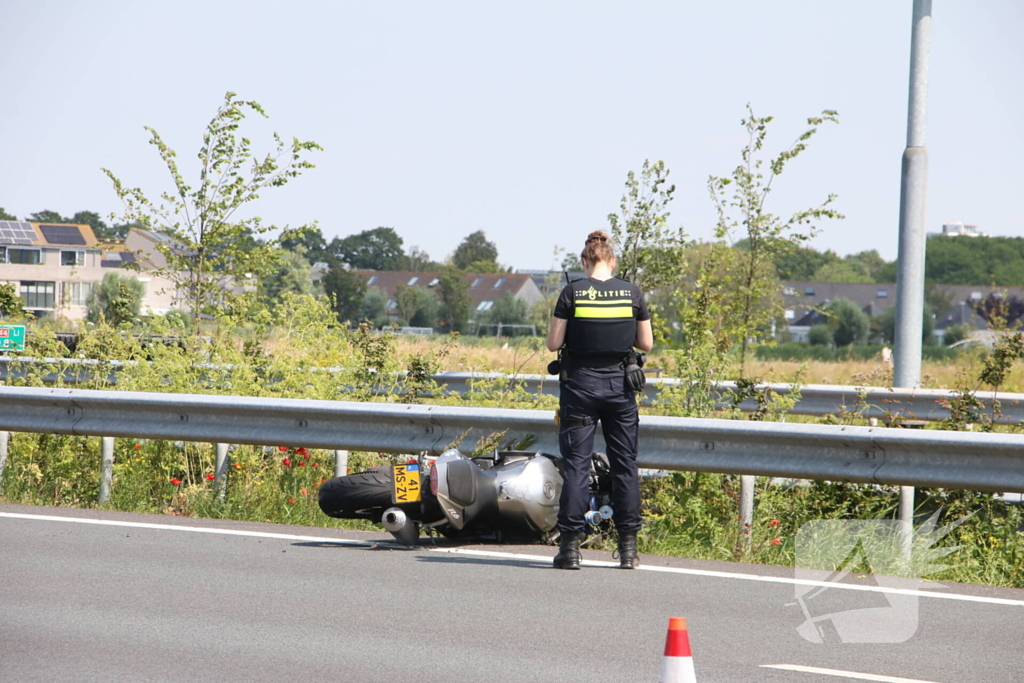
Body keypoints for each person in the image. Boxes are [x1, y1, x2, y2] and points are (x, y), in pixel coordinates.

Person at [546, 230, 653, 570]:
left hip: (579, 387)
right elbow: (646, 344)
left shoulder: (572, 292)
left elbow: (553, 344)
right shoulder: (632, 292)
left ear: (584, 261)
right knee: (625, 467)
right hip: (621, 388)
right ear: (612, 261)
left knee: (577, 467)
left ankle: (570, 550)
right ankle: (628, 551)